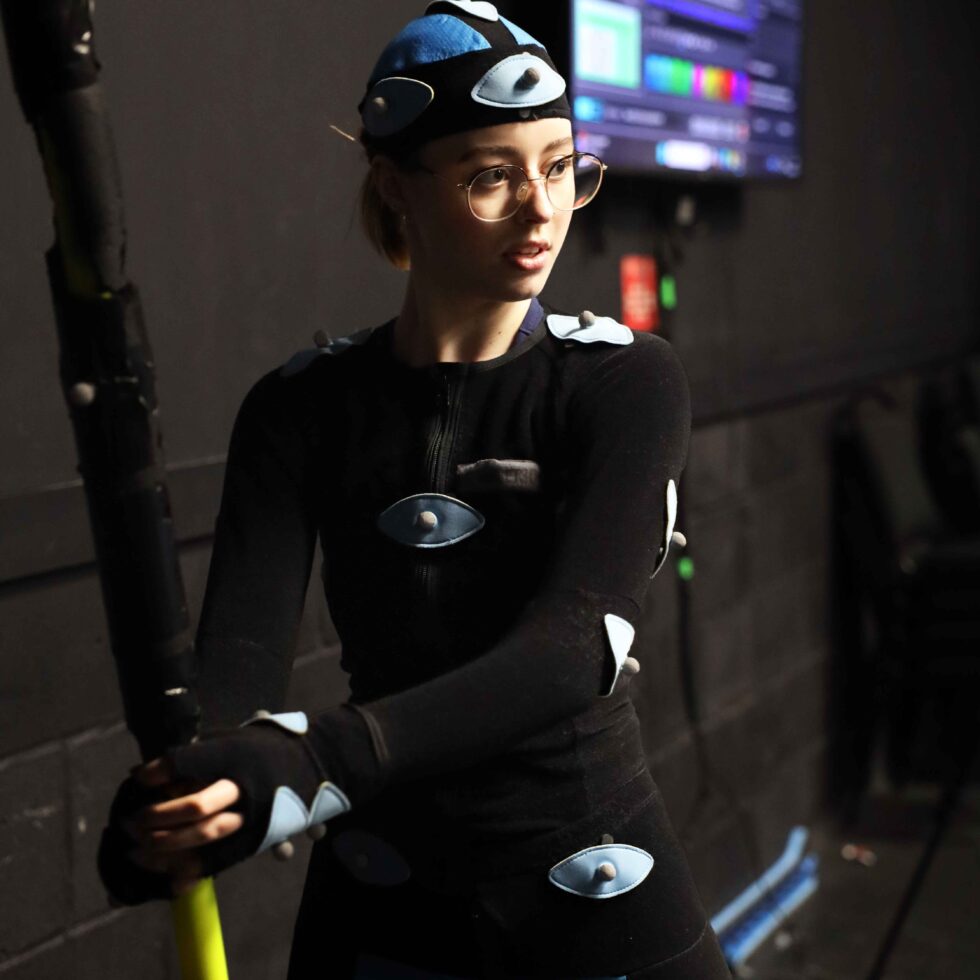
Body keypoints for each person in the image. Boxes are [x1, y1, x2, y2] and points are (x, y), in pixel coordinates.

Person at [99, 3, 730, 977]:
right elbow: (241, 660)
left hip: (591, 875)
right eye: (491, 176)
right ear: (395, 187)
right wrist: (192, 795)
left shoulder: (623, 380)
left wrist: (314, 762)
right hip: (381, 890)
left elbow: (575, 647)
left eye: (560, 166)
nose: (541, 209)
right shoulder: (295, 407)